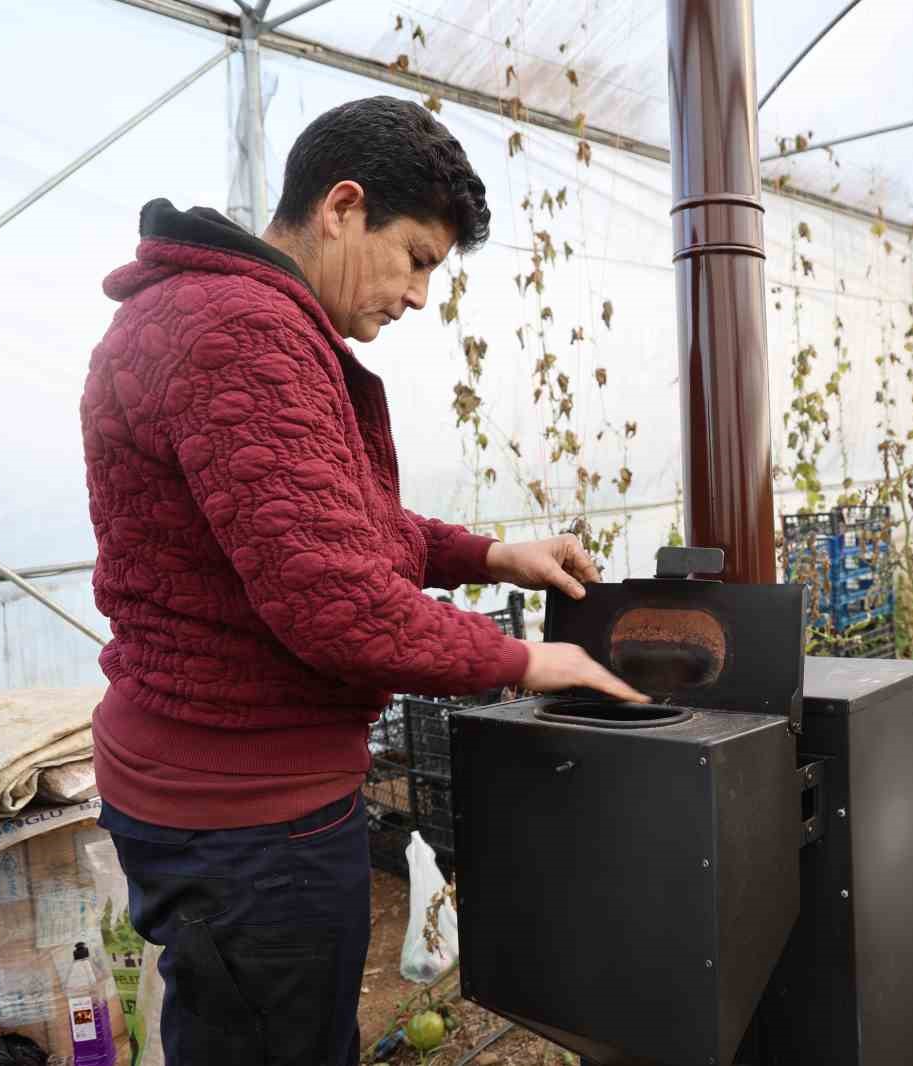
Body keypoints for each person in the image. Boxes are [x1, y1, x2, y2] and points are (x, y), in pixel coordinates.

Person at [80, 96, 646, 1065]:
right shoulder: (238, 334)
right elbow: (333, 602)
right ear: (343, 207)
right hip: (249, 822)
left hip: (217, 794)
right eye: (417, 259)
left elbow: (323, 520)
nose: (421, 294)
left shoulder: (220, 315)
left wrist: (486, 556)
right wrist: (523, 659)